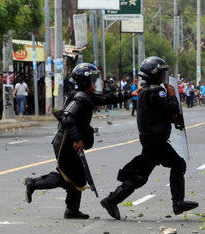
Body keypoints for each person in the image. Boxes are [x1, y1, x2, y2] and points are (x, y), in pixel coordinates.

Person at [24, 63, 137, 219]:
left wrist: (131, 94)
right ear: (84, 82)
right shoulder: (80, 97)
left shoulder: (86, 95)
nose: (96, 83)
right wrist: (77, 139)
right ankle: (33, 183)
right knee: (69, 177)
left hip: (70, 141)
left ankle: (72, 210)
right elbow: (67, 118)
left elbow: (106, 98)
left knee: (76, 177)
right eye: (92, 79)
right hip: (66, 142)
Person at [100, 56, 198, 220]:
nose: (164, 76)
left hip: (152, 140)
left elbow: (165, 113)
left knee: (142, 176)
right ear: (153, 74)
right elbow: (171, 107)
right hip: (155, 142)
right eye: (161, 73)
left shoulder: (147, 91)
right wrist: (173, 95)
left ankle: (112, 200)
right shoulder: (156, 92)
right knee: (175, 165)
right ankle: (177, 203)